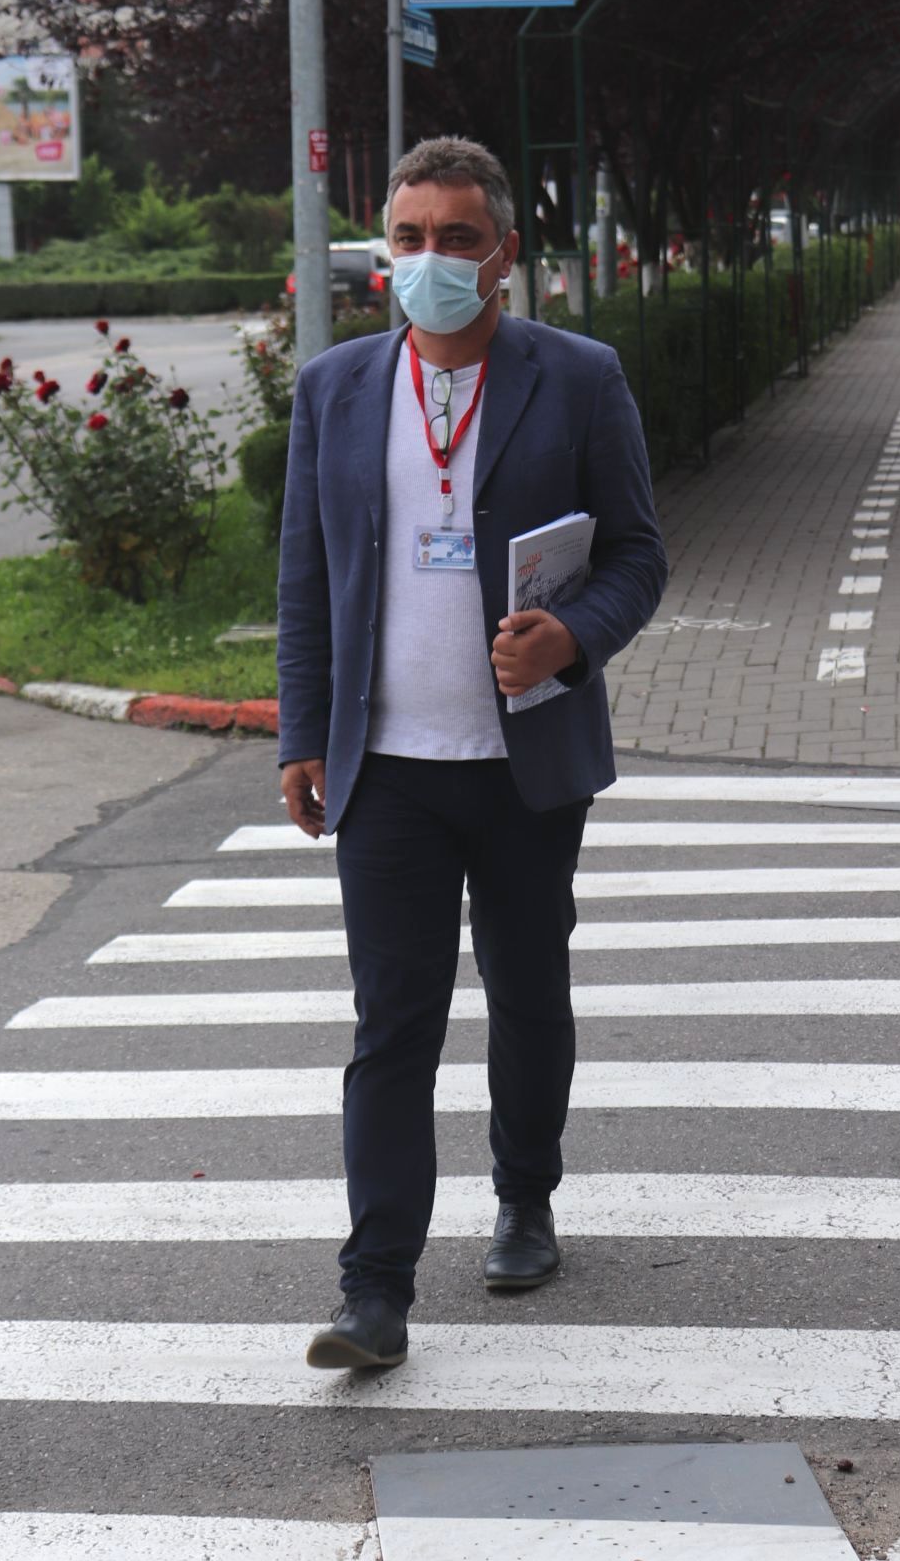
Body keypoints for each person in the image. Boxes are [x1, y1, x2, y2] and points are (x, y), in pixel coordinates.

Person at [276, 136, 668, 1371]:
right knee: (391, 1024)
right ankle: (373, 1289)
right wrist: (302, 733)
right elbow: (304, 579)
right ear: (381, 250)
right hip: (386, 768)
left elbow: (638, 554)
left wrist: (572, 637)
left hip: (523, 765)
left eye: (456, 238)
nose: (429, 259)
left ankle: (525, 1199)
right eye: (408, 238)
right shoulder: (336, 388)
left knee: (526, 991)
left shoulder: (577, 376)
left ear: (503, 253)